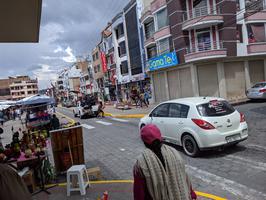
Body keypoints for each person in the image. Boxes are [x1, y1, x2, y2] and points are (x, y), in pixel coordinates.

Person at [133, 124, 197, 200]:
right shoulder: (174, 153)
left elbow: (139, 193)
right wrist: (192, 194)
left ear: (144, 142)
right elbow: (185, 178)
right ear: (160, 137)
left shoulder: (142, 162)